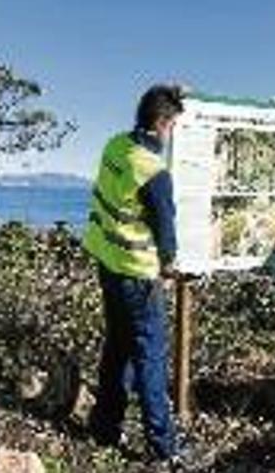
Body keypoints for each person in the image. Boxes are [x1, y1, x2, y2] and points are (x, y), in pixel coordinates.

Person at [81, 84, 184, 461]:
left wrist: (173, 92)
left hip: (107, 263)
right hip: (139, 278)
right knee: (150, 360)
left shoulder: (114, 145)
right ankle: (163, 449)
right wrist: (170, 265)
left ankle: (105, 428)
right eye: (172, 125)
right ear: (161, 123)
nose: (172, 134)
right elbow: (166, 234)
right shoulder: (154, 172)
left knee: (117, 348)